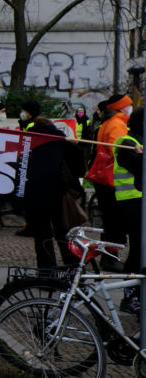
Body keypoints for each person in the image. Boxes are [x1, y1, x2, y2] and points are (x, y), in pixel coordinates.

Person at [24, 117, 83, 269]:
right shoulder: (66, 144)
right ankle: (72, 270)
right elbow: (80, 169)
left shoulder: (27, 144)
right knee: (64, 235)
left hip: (34, 197)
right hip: (60, 195)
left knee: (42, 238)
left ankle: (47, 274)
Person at [89, 93, 133, 272]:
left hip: (104, 177)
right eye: (129, 105)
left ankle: (109, 257)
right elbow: (117, 151)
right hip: (111, 179)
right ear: (122, 108)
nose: (130, 108)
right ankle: (111, 258)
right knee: (116, 221)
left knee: (111, 220)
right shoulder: (117, 123)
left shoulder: (109, 122)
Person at [114, 107, 145, 313]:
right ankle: (130, 297)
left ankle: (138, 295)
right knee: (137, 252)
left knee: (141, 252)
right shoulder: (128, 143)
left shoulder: (137, 142)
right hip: (132, 202)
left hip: (138, 202)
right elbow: (142, 171)